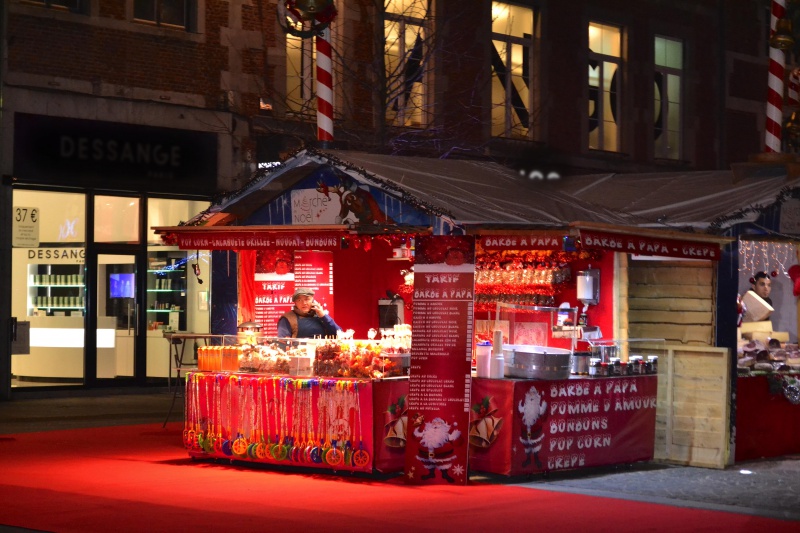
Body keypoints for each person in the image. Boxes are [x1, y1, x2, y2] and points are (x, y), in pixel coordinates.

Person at [277, 287, 342, 338]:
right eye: (299, 300)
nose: (304, 303)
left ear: (313, 301)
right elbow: (283, 341)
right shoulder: (287, 318)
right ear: (295, 303)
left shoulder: (321, 316)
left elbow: (340, 335)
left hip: (322, 353)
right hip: (299, 353)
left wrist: (323, 316)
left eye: (307, 299)